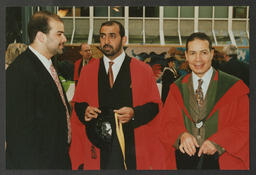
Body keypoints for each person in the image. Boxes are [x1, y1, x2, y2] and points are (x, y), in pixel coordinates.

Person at [69, 20, 165, 170]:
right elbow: (78, 105)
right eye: (102, 36)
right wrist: (85, 111)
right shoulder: (88, 71)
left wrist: (134, 114)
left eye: (112, 36)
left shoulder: (143, 70)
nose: (106, 41)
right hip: (98, 149)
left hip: (132, 147)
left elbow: (154, 107)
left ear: (124, 40)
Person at [159, 32, 249, 170]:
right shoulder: (177, 87)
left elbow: (245, 123)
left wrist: (218, 142)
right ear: (187, 56)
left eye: (204, 53)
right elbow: (167, 122)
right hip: (184, 161)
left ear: (212, 54)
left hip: (221, 161)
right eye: (193, 53)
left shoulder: (233, 86)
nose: (198, 59)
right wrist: (181, 135)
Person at [6, 11, 71, 169]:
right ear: (41, 36)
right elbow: (19, 133)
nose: (64, 39)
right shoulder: (20, 71)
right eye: (59, 34)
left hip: (55, 159)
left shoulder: (46, 65)